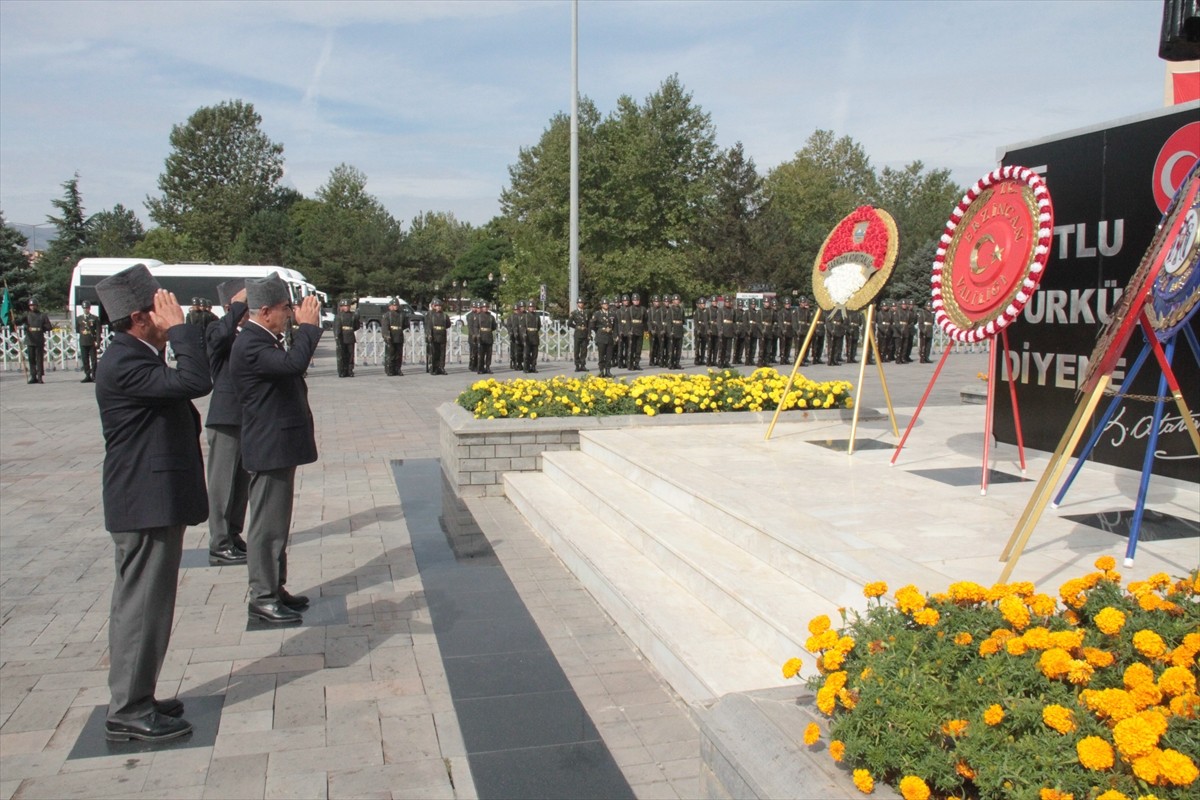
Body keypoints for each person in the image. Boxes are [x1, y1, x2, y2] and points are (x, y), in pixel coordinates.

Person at [94, 264, 210, 742]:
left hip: (150, 496)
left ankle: (138, 692)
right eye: (161, 308)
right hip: (144, 499)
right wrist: (181, 330)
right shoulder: (126, 360)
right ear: (141, 318)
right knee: (143, 606)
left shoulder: (138, 354)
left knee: (149, 604)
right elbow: (196, 381)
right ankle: (128, 708)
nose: (171, 313)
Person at [230, 274, 323, 624]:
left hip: (276, 445)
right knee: (267, 526)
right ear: (266, 311)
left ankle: (275, 586)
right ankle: (263, 596)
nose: (290, 314)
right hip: (269, 446)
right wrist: (309, 327)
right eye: (286, 308)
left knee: (277, 523)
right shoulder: (252, 343)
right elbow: (293, 365)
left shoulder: (263, 338)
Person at [205, 279, 250, 568]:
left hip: (246, 417)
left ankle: (233, 534)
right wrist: (237, 306)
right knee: (222, 484)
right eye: (244, 306)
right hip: (225, 417)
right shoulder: (216, 329)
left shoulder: (247, 333)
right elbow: (219, 338)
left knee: (241, 483)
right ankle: (219, 543)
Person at [23, 298, 53, 384]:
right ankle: (33, 376)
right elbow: (20, 321)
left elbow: (49, 327)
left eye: (34, 305)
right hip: (30, 339)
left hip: (39, 339)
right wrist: (14, 321)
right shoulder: (27, 315)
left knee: (39, 359)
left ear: (37, 306)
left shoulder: (42, 315)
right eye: (31, 305)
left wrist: (41, 328)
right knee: (31, 359)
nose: (32, 307)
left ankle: (40, 376)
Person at [381, 298, 410, 376]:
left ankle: (398, 369)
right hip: (391, 336)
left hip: (399, 336)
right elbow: (385, 327)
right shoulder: (387, 315)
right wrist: (386, 335)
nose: (395, 307)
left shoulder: (402, 314)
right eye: (393, 305)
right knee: (390, 354)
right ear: (390, 306)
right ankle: (390, 369)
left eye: (396, 305)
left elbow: (405, 324)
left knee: (398, 355)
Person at [591, 297, 618, 378]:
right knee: (601, 355)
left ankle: (608, 371)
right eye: (604, 304)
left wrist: (615, 335)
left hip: (609, 337)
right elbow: (593, 325)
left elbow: (615, 326)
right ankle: (601, 371)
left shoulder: (612, 314)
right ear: (601, 305)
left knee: (609, 355)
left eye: (607, 304)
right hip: (601, 337)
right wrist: (599, 331)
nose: (606, 305)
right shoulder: (597, 314)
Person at [76, 300, 101, 382]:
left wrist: (98, 341)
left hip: (91, 341)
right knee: (85, 359)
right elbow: (78, 329)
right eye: (84, 308)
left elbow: (98, 331)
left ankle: (94, 375)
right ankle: (87, 375)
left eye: (87, 308)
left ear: (89, 308)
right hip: (83, 341)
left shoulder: (94, 318)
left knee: (93, 360)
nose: (85, 309)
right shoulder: (79, 318)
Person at [333, 299, 359, 377]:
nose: (346, 307)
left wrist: (350, 330)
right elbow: (336, 328)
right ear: (341, 307)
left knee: (350, 354)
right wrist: (337, 337)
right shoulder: (338, 316)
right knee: (342, 354)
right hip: (342, 337)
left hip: (350, 336)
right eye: (344, 306)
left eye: (347, 306)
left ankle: (350, 370)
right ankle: (342, 370)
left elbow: (356, 326)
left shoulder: (353, 315)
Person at [426, 298, 450, 375]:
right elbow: (428, 326)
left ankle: (441, 367)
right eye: (437, 306)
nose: (438, 307)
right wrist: (429, 335)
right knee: (434, 353)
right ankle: (434, 368)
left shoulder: (444, 315)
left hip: (442, 335)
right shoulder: (431, 315)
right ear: (434, 306)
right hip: (434, 336)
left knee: (442, 353)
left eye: (440, 306)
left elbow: (448, 324)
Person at [569, 298, 590, 372]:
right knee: (577, 350)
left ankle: (583, 365)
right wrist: (576, 327)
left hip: (585, 333)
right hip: (578, 333)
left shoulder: (586, 312)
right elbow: (569, 323)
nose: (581, 304)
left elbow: (589, 323)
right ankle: (577, 365)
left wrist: (589, 333)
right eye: (580, 303)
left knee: (584, 350)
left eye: (582, 303)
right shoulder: (574, 313)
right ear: (577, 304)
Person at [627, 293, 647, 370]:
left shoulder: (643, 309)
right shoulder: (629, 309)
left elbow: (645, 319)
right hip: (632, 330)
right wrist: (629, 330)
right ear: (632, 301)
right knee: (631, 348)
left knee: (638, 348)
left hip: (640, 330)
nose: (636, 301)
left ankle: (637, 363)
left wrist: (645, 329)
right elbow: (628, 321)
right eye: (634, 300)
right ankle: (630, 364)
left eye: (637, 300)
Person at [476, 300, 497, 374]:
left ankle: (488, 367)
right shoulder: (478, 316)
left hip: (489, 336)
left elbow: (494, 326)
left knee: (489, 354)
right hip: (481, 336)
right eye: (484, 307)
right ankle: (480, 368)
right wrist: (477, 334)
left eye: (486, 307)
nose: (485, 308)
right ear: (481, 308)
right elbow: (476, 327)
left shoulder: (491, 317)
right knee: (481, 354)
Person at [667, 294, 685, 370]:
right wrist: (670, 331)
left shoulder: (681, 309)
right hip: (673, 330)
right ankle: (670, 363)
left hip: (679, 330)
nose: (676, 301)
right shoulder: (670, 310)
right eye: (675, 300)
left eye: (678, 300)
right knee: (671, 348)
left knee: (679, 348)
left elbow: (683, 320)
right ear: (673, 301)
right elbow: (668, 322)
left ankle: (677, 363)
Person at [522, 299, 541, 373]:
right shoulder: (525, 316)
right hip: (528, 336)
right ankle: (526, 367)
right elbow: (523, 326)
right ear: (528, 308)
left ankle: (533, 367)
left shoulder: (537, 316)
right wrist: (524, 334)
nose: (532, 308)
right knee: (526, 354)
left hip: (535, 336)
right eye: (530, 307)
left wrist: (535, 332)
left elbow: (538, 326)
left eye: (533, 307)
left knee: (534, 354)